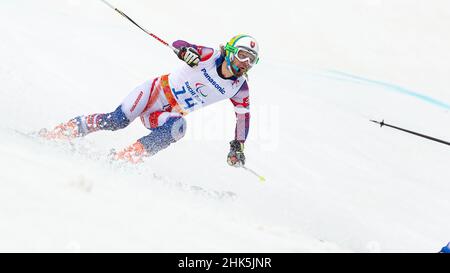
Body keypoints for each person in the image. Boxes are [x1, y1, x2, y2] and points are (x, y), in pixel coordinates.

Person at [40, 34, 259, 166]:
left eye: (251, 60)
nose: (245, 63)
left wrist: (237, 146)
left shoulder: (239, 88)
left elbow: (243, 119)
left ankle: (125, 159)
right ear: (229, 51)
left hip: (164, 114)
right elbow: (180, 43)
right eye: (241, 55)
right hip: (153, 94)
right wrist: (186, 51)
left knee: (178, 128)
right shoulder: (210, 56)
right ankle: (62, 131)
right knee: (117, 121)